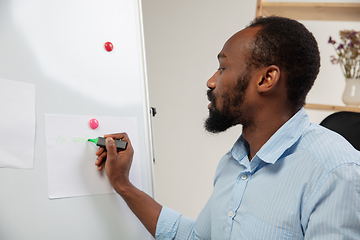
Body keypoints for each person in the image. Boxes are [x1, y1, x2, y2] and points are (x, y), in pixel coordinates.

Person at [95, 16, 360, 239]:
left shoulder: (336, 172)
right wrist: (123, 184)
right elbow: (198, 237)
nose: (211, 82)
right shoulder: (234, 163)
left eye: (223, 67)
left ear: (267, 78)